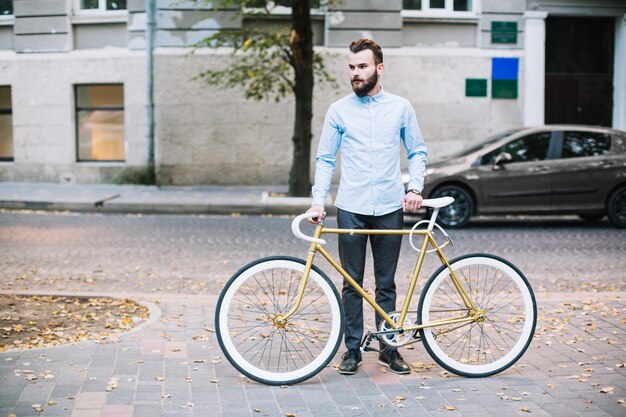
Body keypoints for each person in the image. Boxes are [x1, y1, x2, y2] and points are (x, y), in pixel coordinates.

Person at [307, 38, 427, 375]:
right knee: (352, 283)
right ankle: (353, 349)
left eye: (362, 66)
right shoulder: (339, 110)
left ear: (379, 68)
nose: (356, 73)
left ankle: (388, 347)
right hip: (351, 207)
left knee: (386, 283)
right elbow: (325, 159)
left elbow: (417, 151)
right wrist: (318, 201)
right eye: (352, 67)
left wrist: (414, 187)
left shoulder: (401, 107)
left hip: (390, 206)